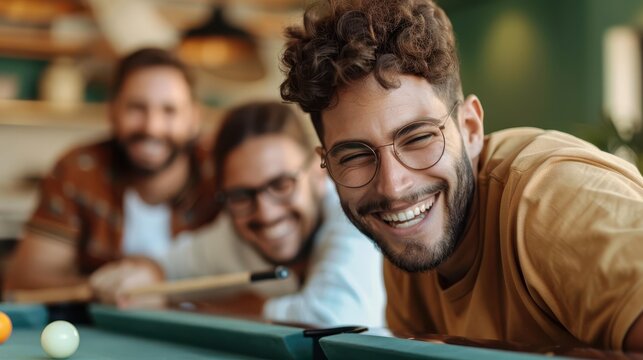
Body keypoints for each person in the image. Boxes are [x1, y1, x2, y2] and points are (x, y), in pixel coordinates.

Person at [279, 0, 643, 351]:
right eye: (355, 156)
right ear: (326, 163)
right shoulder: (407, 241)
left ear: (470, 128)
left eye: (418, 137)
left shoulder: (553, 198)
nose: (392, 187)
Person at [95, 101, 386, 327]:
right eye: (241, 195)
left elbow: (335, 320)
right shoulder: (230, 235)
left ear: (316, 172)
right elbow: (162, 269)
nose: (266, 212)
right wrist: (140, 277)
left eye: (281, 184)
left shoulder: (352, 213)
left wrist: (236, 308)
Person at [4, 48, 219, 300]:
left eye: (169, 110)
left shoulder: (221, 173)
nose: (152, 127)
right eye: (137, 108)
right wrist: (100, 290)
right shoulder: (79, 169)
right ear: (112, 111)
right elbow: (22, 284)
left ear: (194, 118)